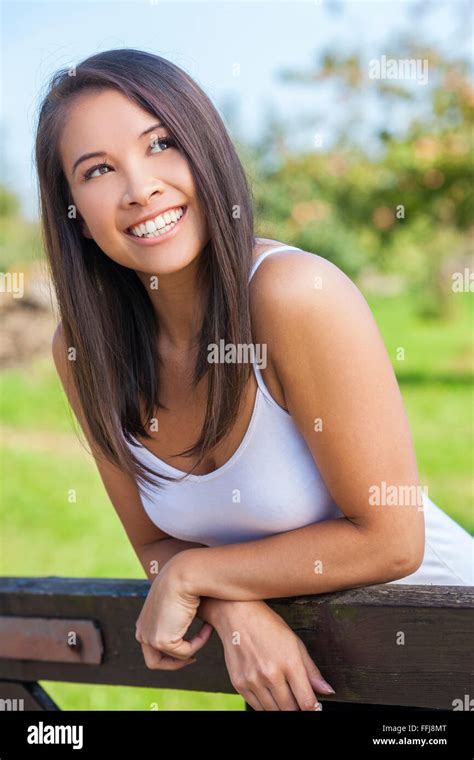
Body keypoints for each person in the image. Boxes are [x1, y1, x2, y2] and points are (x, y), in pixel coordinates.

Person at [37, 48, 472, 711]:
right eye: (98, 170)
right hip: (309, 684)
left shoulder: (296, 294)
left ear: (206, 147)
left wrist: (197, 572)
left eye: (162, 143)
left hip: (443, 657)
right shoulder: (86, 354)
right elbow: (156, 545)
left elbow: (392, 541)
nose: (140, 187)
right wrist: (231, 606)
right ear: (73, 212)